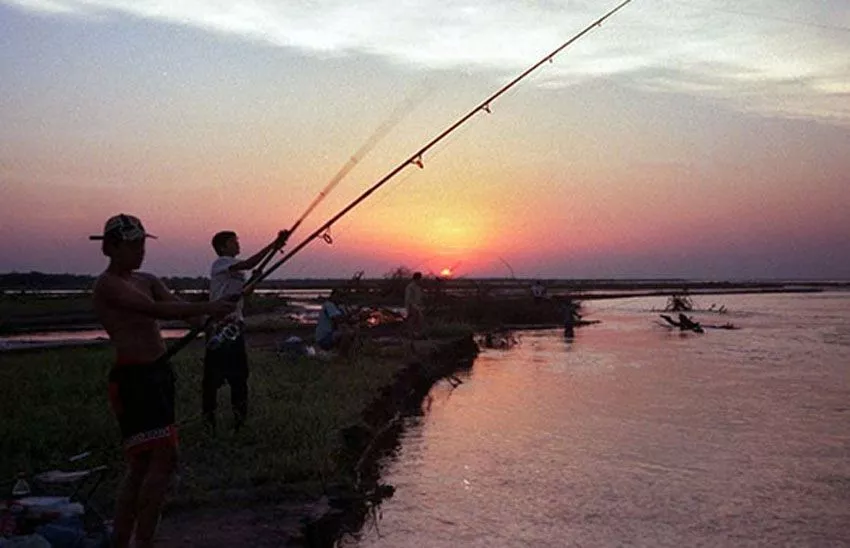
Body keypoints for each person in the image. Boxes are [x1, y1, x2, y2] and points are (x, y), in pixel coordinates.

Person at [90, 214, 236, 548]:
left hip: (159, 374)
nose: (140, 251)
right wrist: (212, 306)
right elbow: (154, 310)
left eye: (142, 244)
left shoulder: (148, 279)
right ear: (110, 248)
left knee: (143, 464)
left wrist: (212, 319)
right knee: (164, 458)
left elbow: (179, 309)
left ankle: (123, 540)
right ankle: (143, 540)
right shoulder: (107, 285)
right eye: (132, 245)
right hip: (133, 378)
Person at [203, 229, 289, 433]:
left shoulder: (236, 270)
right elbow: (249, 264)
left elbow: (244, 293)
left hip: (235, 327)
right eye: (234, 241)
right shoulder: (221, 263)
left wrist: (254, 280)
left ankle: (240, 423)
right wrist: (274, 245)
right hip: (219, 327)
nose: (238, 244)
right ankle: (208, 422)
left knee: (240, 377)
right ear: (223, 247)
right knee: (212, 380)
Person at [314, 289, 356, 356]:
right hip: (324, 338)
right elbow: (338, 319)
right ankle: (341, 356)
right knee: (347, 334)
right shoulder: (328, 305)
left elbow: (348, 319)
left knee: (352, 331)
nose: (341, 298)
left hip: (333, 335)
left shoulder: (340, 307)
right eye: (340, 296)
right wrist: (350, 316)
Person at [404, 272, 425, 338]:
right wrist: (413, 307)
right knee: (412, 321)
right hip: (412, 307)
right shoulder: (410, 287)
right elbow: (408, 299)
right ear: (417, 279)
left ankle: (417, 335)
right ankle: (410, 335)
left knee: (420, 321)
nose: (421, 280)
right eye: (420, 279)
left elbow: (420, 297)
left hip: (417, 307)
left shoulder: (418, 287)